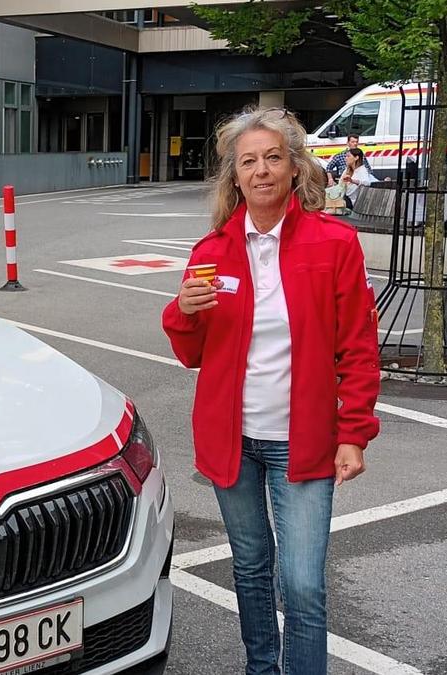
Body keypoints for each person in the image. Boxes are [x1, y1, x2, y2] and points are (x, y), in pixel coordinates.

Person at [161, 107, 380, 675]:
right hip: (231, 438)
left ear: (293, 168)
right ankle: (263, 668)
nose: (261, 170)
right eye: (248, 161)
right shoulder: (212, 252)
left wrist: (353, 432)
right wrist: (181, 312)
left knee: (302, 583)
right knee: (251, 569)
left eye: (273, 158)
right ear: (234, 176)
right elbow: (190, 352)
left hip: (301, 441)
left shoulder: (334, 243)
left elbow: (358, 347)